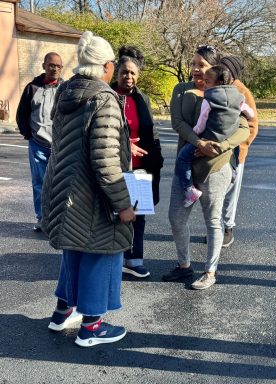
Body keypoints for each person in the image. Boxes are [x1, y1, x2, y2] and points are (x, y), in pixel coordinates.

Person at [42, 31, 136, 347]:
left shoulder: (66, 92)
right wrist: (124, 203)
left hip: (64, 188)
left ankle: (62, 312)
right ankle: (92, 328)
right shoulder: (103, 99)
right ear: (107, 66)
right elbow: (106, 161)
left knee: (74, 248)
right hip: (92, 194)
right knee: (103, 251)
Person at [162, 45, 250, 290]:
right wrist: (199, 142)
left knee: (212, 220)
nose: (195, 69)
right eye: (193, 64)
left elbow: (244, 128)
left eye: (201, 64)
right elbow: (177, 122)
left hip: (216, 166)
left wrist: (219, 147)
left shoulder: (230, 93)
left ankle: (210, 272)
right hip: (186, 163)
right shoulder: (182, 90)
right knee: (176, 218)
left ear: (215, 69)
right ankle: (184, 266)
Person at [111, 45, 164, 278]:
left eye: (133, 73)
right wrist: (125, 145)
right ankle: (111, 259)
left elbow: (150, 132)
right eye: (124, 72)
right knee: (114, 214)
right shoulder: (107, 97)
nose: (128, 77)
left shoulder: (142, 98)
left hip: (140, 168)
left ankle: (134, 259)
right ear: (116, 72)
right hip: (114, 166)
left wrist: (157, 159)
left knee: (138, 214)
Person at [176, 64, 254, 208]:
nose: (205, 84)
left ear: (217, 83)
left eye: (207, 81)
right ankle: (234, 171)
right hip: (227, 139)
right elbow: (250, 114)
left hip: (208, 139)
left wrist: (196, 134)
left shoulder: (209, 99)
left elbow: (202, 122)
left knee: (183, 157)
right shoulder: (238, 97)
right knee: (235, 150)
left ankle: (189, 189)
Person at [16, 52, 63, 231]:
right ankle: (42, 218)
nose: (54, 69)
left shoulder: (65, 88)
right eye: (51, 65)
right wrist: (28, 134)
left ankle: (59, 220)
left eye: (58, 66)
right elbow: (22, 113)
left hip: (60, 145)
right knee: (40, 183)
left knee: (60, 184)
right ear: (44, 66)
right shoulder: (32, 87)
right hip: (38, 144)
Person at [220, 55, 258, 247]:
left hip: (235, 153)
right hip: (217, 151)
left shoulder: (242, 92)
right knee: (217, 191)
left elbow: (252, 125)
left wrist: (240, 147)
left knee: (230, 192)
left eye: (224, 68)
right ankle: (217, 228)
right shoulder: (216, 87)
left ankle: (228, 228)